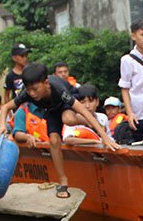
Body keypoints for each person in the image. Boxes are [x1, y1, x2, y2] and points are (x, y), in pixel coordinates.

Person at [10, 63, 118, 197]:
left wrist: (104, 137)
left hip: (65, 102)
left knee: (68, 118)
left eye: (35, 89)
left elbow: (83, 109)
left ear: (46, 83)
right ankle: (63, 181)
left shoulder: (59, 90)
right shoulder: (27, 94)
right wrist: (3, 126)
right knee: (54, 140)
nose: (32, 94)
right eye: (29, 90)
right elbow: (5, 108)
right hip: (52, 108)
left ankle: (87, 121)